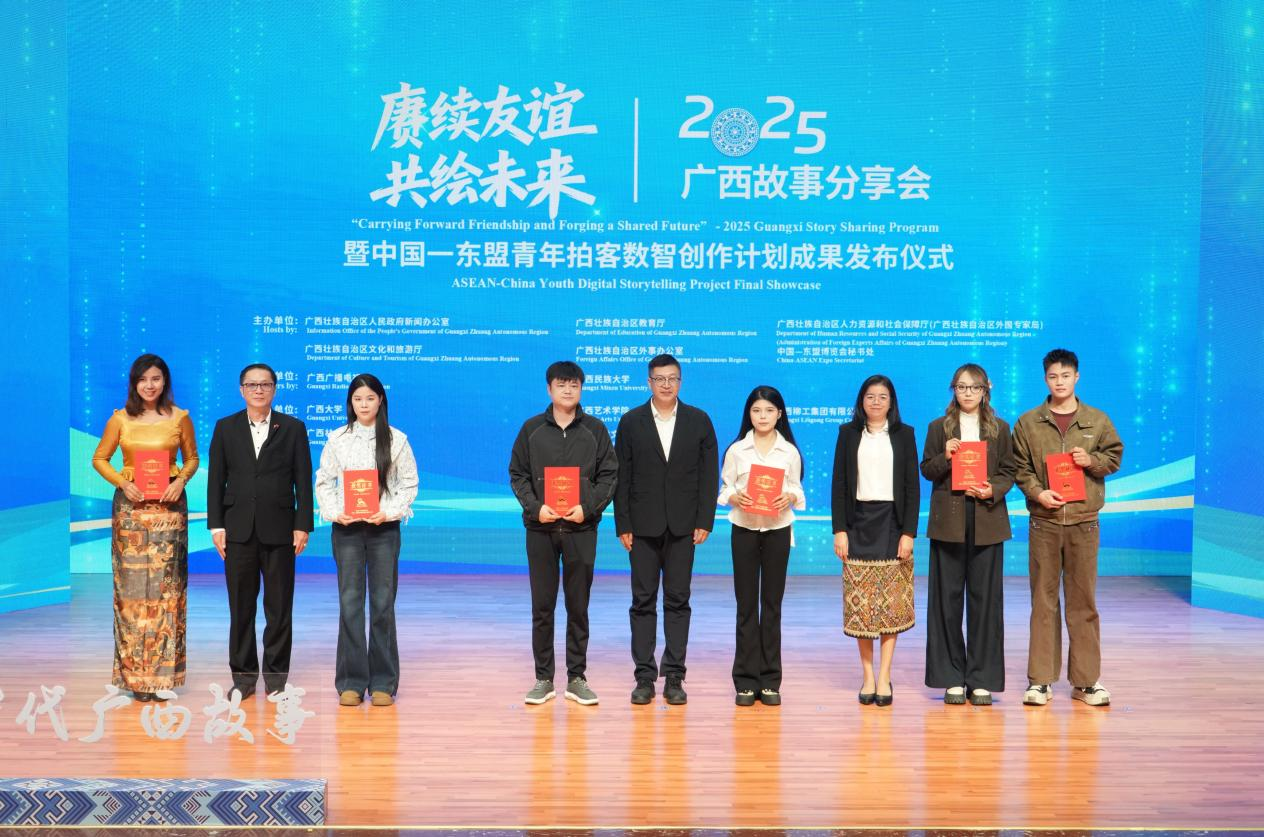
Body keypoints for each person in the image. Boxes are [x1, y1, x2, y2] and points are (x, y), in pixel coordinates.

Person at [1012, 348, 1123, 707]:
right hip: (1044, 523)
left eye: (1065, 376)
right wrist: (1038, 493)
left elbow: (1114, 457)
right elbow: (1020, 468)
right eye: (1052, 376)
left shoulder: (1097, 419)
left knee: (1082, 602)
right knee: (1043, 602)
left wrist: (1091, 460)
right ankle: (1040, 681)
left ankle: (1086, 682)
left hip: (1084, 523)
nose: (1059, 382)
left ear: (1077, 377)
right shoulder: (1029, 422)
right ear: (1045, 379)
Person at [509, 361, 617, 706]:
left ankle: (576, 677)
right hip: (540, 528)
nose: (568, 390)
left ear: (581, 389)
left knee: (578, 606)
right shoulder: (531, 429)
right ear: (549, 389)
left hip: (580, 528)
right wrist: (534, 507)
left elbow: (609, 476)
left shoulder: (595, 430)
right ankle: (543, 678)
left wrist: (588, 507)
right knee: (542, 606)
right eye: (561, 384)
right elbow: (518, 474)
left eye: (574, 385)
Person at [91, 353, 199, 701]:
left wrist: (180, 481)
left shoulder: (180, 417)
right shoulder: (120, 419)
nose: (149, 385)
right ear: (134, 384)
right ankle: (135, 677)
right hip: (131, 511)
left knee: (168, 590)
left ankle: (163, 677)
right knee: (132, 592)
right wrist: (123, 483)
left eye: (156, 378)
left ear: (165, 381)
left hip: (169, 508)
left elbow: (192, 458)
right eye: (143, 380)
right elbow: (99, 458)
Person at [615, 354, 718, 706]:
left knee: (678, 601)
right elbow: (622, 476)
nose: (666, 384)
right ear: (649, 382)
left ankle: (674, 675)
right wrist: (623, 523)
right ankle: (644, 676)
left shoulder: (698, 420)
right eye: (659, 379)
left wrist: (705, 520)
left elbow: (708, 475)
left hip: (684, 527)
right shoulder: (631, 421)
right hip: (641, 528)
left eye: (672, 378)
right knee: (642, 601)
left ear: (680, 381)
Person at [207, 363, 314, 699]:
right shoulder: (225, 427)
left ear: (274, 389)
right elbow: (216, 479)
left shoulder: (293, 428)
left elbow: (303, 480)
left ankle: (276, 678)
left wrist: (302, 525)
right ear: (241, 389)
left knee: (279, 608)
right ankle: (243, 678)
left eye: (265, 384)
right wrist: (216, 525)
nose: (258, 390)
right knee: (241, 609)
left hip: (280, 530)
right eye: (251, 384)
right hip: (237, 530)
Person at [315, 373, 418, 708]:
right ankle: (351, 682)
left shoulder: (397, 439)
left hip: (383, 530)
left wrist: (388, 512)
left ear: (380, 401)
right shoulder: (337, 439)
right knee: (350, 603)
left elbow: (409, 484)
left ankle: (384, 682)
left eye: (370, 398)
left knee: (383, 604)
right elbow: (324, 482)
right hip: (347, 530)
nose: (364, 405)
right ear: (350, 403)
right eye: (358, 399)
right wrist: (335, 512)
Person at [920, 363, 1015, 706]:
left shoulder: (1000, 428)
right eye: (961, 387)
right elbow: (926, 469)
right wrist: (945, 457)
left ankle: (981, 679)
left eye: (975, 387)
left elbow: (1009, 471)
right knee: (946, 602)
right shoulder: (939, 427)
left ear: (986, 390)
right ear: (953, 390)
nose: (968, 393)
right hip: (949, 521)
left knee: (985, 601)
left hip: (987, 518)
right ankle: (951, 678)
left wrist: (992, 489)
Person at [831, 374, 919, 707]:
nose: (876, 402)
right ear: (861, 401)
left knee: (891, 606)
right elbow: (839, 484)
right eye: (870, 396)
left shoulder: (905, 434)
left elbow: (912, 487)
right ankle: (868, 675)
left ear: (891, 401)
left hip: (893, 525)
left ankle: (885, 676)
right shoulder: (847, 434)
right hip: (858, 524)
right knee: (862, 606)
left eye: (883, 396)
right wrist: (840, 529)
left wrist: (908, 532)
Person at [718, 386, 805, 707]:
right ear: (749, 414)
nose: (763, 416)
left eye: (769, 410)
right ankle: (744, 681)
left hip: (777, 530)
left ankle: (769, 681)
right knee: (745, 606)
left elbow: (797, 488)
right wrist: (734, 497)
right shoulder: (737, 450)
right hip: (743, 529)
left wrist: (790, 496)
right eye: (756, 411)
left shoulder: (789, 452)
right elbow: (725, 488)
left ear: (779, 414)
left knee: (771, 606)